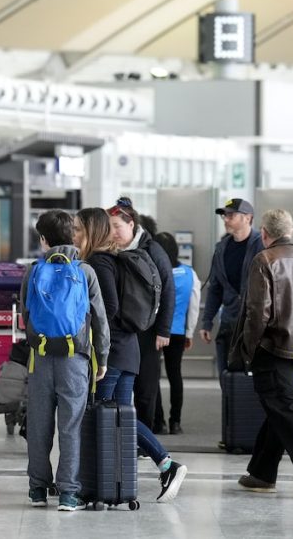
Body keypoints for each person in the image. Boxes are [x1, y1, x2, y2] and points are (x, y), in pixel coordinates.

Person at [75, 209, 187, 503]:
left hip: (111, 353)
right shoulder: (113, 258)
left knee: (106, 414)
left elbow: (108, 308)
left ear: (90, 231)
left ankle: (163, 464)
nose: (74, 237)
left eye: (78, 230)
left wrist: (95, 342)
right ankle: (126, 481)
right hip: (128, 348)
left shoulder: (99, 262)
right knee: (120, 419)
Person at [233, 209, 293, 499]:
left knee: (286, 412)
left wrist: (247, 350)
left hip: (273, 349)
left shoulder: (264, 260)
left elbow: (257, 313)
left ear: (264, 233)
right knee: (282, 409)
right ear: (291, 231)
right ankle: (262, 473)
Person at [21, 209, 109, 512]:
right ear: (73, 235)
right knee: (71, 427)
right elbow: (99, 319)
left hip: (41, 357)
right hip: (75, 359)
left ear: (43, 239)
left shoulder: (34, 270)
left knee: (39, 426)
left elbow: (26, 315)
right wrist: (103, 357)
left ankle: (37, 490)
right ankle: (69, 494)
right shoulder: (85, 271)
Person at [105, 197, 175, 438]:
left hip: (148, 329)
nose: (113, 232)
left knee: (146, 386)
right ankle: (122, 438)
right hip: (122, 328)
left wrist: (163, 330)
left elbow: (168, 289)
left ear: (131, 224)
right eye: (109, 226)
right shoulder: (110, 251)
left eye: (117, 226)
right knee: (123, 387)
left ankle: (145, 439)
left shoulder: (152, 249)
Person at [199, 198, 264, 386]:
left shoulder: (261, 245)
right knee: (227, 377)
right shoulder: (221, 249)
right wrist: (207, 321)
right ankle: (231, 412)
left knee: (255, 379)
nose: (226, 219)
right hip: (229, 322)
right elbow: (216, 288)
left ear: (248, 218)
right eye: (224, 215)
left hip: (255, 323)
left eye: (231, 215)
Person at [152, 231, 201, 436]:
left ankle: (159, 422)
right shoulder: (190, 274)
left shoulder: (154, 271)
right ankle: (176, 422)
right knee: (175, 376)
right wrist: (189, 332)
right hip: (179, 332)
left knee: (152, 377)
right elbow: (194, 306)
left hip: (154, 332)